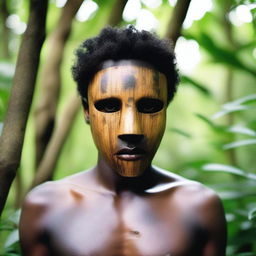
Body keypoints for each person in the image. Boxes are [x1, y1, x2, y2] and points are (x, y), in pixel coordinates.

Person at [19, 26, 227, 256]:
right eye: (109, 106)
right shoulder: (45, 206)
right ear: (87, 111)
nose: (131, 130)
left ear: (166, 110)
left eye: (149, 107)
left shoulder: (200, 207)